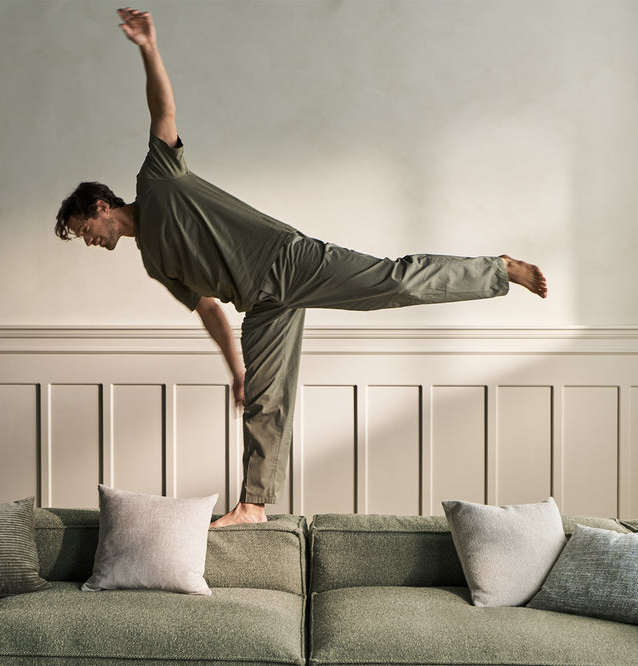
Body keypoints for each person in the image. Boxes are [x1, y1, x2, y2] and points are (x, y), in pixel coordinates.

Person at [55, 8, 548, 527]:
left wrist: (148, 48)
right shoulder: (152, 260)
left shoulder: (158, 178)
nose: (87, 241)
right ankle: (253, 506)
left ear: (101, 207)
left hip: (286, 262)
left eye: (82, 229)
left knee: (393, 281)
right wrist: (235, 371)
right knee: (264, 403)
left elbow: (163, 108)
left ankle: (498, 269)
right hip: (261, 305)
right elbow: (207, 309)